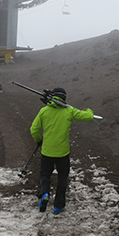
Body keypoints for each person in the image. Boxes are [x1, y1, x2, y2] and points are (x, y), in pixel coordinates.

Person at [30, 87, 95, 215]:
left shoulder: (43, 111)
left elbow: (34, 129)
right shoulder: (69, 111)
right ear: (64, 99)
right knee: (62, 178)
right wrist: (88, 110)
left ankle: (45, 194)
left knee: (45, 175)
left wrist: (38, 141)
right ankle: (58, 206)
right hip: (63, 153)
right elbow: (89, 117)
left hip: (47, 152)